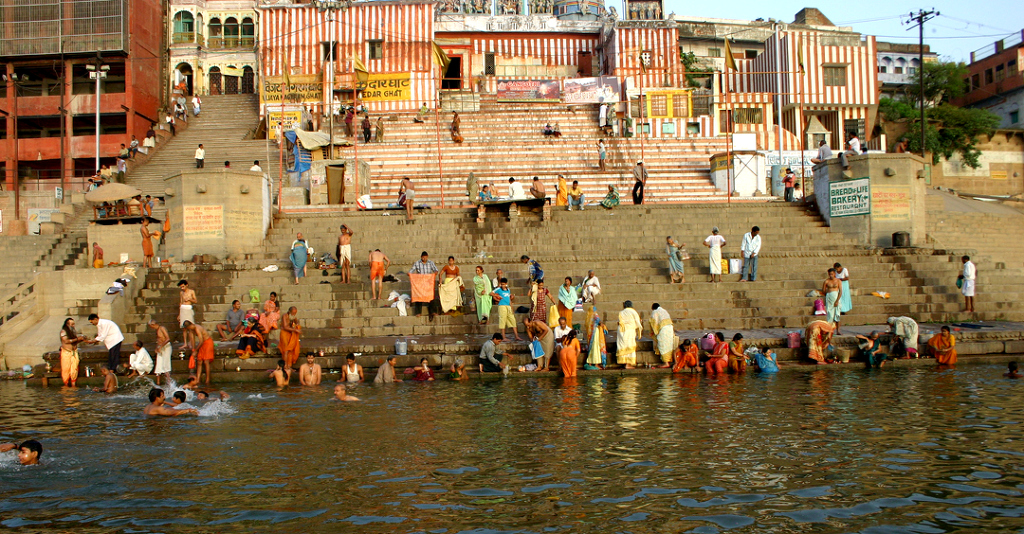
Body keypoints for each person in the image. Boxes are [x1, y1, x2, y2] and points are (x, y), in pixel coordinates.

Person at [409, 251, 440, 318]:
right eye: (423, 257)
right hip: (420, 283)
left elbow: (436, 270)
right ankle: (418, 312)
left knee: (431, 297)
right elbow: (411, 270)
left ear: (427, 257)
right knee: (419, 297)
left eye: (425, 257)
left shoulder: (431, 263)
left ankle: (433, 311)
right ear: (421, 257)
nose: (424, 258)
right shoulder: (417, 263)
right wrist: (409, 274)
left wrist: (434, 274)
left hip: (429, 283)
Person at [182, 321, 214, 385]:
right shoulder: (191, 330)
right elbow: (192, 340)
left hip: (207, 343)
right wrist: (193, 350)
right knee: (199, 361)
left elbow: (201, 341)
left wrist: (196, 350)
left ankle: (207, 380)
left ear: (189, 326)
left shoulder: (197, 328)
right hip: (201, 345)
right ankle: (198, 379)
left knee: (206, 361)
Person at [59, 318, 86, 387]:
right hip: (66, 352)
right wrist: (77, 339)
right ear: (67, 324)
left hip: (74, 352)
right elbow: (66, 341)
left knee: (74, 369)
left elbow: (75, 341)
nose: (73, 326)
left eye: (74, 324)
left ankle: (73, 385)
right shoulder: (63, 332)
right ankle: (66, 385)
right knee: (66, 369)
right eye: (72, 324)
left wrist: (82, 339)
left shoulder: (73, 331)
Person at [616, 301, 643, 369]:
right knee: (629, 346)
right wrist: (640, 327)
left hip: (621, 331)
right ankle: (628, 364)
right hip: (629, 331)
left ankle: (624, 362)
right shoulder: (633, 311)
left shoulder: (621, 312)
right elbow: (637, 322)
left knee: (623, 346)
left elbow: (619, 322)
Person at [147, 319, 172, 385]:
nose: (151, 328)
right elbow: (158, 340)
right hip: (160, 348)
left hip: (166, 347)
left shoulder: (162, 328)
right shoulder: (157, 330)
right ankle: (158, 383)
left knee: (166, 364)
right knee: (159, 364)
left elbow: (168, 339)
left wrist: (161, 346)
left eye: (151, 326)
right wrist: (157, 348)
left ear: (153, 324)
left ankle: (169, 382)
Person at [822, 268, 842, 333]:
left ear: (835, 274)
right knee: (830, 315)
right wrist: (828, 292)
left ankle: (838, 331)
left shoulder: (838, 281)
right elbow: (823, 291)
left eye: (832, 274)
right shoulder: (826, 281)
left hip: (837, 297)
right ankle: (830, 330)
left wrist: (837, 301)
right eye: (829, 274)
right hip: (829, 298)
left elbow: (841, 292)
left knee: (837, 314)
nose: (831, 275)